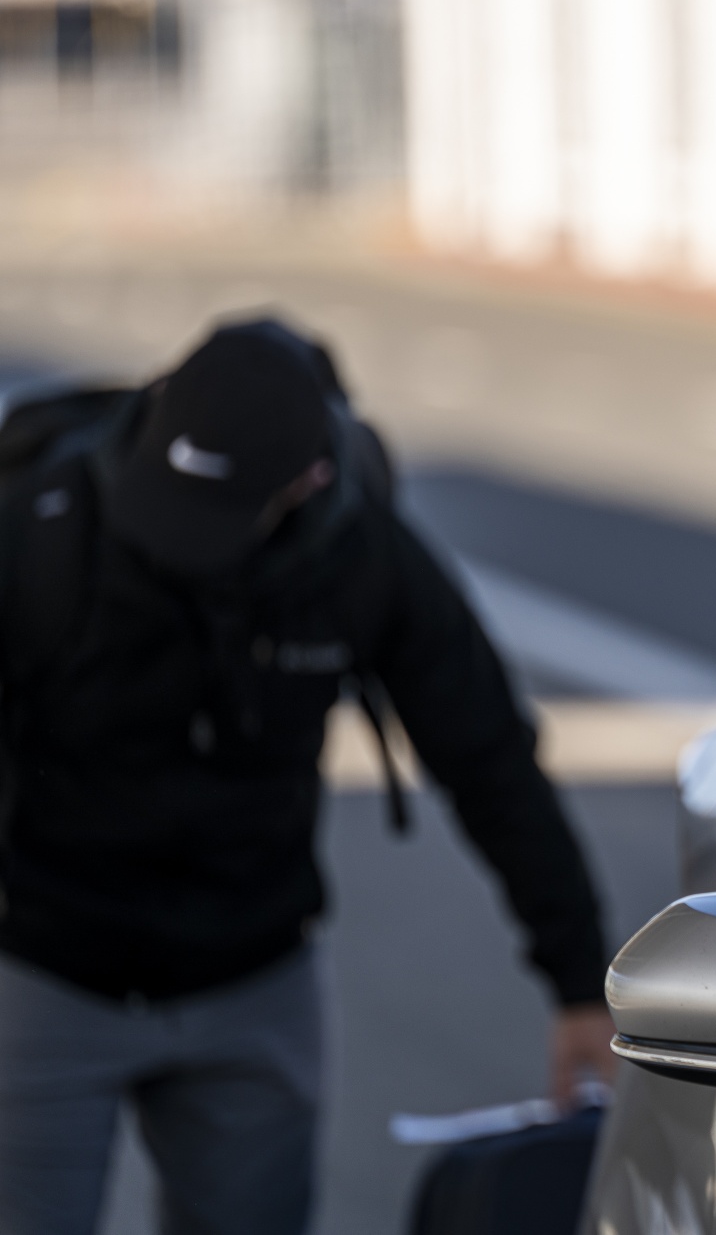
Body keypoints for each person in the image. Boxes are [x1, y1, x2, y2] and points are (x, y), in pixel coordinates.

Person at [0, 319, 619, 1235]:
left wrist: (580, 982)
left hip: (251, 981)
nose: (175, 543)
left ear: (306, 483)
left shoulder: (362, 559)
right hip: (49, 976)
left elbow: (490, 759)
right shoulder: (41, 530)